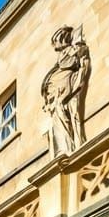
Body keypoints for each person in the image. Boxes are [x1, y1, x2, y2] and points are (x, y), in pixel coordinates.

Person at [42, 25, 91, 157]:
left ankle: (74, 147)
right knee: (58, 125)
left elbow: (75, 62)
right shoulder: (64, 55)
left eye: (56, 40)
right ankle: (64, 150)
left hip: (67, 94)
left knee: (70, 118)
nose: (54, 45)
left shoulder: (73, 51)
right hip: (56, 98)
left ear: (63, 38)